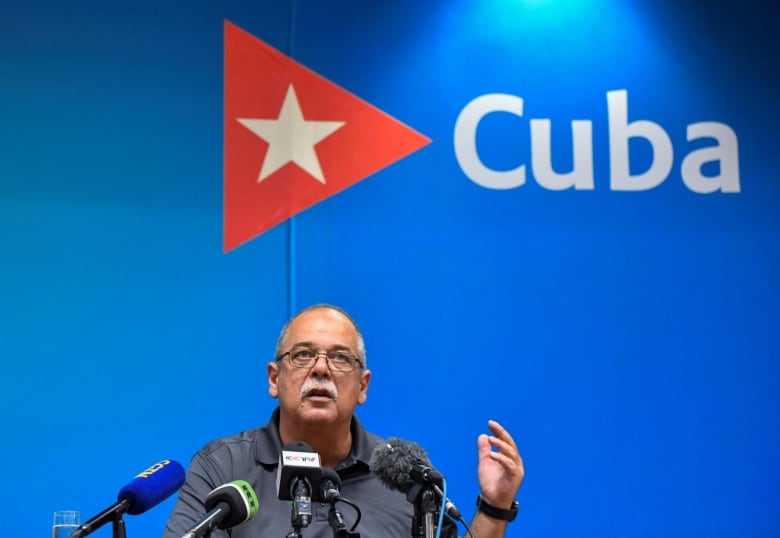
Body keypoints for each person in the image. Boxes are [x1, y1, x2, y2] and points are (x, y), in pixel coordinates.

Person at [162, 304, 524, 538]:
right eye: (303, 355)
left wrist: (494, 505)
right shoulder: (223, 465)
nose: (321, 369)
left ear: (362, 385)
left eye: (340, 359)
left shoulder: (405, 473)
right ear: (274, 378)